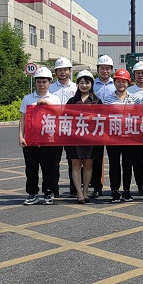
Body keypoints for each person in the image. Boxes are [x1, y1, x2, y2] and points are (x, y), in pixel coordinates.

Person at [18, 67, 62, 205]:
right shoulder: (28, 99)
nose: (41, 84)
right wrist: (21, 136)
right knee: (31, 168)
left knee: (48, 167)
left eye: (44, 82)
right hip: (31, 140)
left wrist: (48, 104)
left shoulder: (55, 98)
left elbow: (60, 115)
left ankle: (48, 193)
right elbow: (23, 118)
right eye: (39, 82)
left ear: (50, 82)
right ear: (35, 82)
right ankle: (32, 193)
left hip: (48, 139)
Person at [102, 68, 143, 203]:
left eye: (124, 81)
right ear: (114, 82)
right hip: (113, 137)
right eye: (118, 81)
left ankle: (126, 190)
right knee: (114, 164)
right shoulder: (108, 99)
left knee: (127, 164)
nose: (121, 84)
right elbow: (104, 118)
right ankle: (115, 191)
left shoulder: (135, 99)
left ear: (128, 82)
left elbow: (139, 118)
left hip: (129, 137)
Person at [65, 69, 101, 204]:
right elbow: (65, 118)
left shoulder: (97, 101)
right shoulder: (71, 101)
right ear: (77, 84)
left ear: (91, 84)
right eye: (81, 83)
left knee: (88, 164)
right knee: (75, 164)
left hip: (91, 138)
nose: (84, 85)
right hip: (74, 138)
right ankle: (79, 193)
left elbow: (102, 119)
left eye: (87, 83)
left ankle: (85, 191)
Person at [88, 55, 116, 199]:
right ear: (98, 69)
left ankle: (114, 188)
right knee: (96, 158)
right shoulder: (92, 85)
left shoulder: (116, 84)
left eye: (107, 68)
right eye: (102, 68)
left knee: (113, 158)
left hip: (112, 125)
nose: (105, 71)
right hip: (96, 125)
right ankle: (97, 187)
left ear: (111, 70)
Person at [49, 57, 78, 198]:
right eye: (59, 70)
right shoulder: (50, 88)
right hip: (55, 129)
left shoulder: (76, 88)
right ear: (55, 72)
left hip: (72, 129)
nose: (63, 72)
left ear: (70, 71)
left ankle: (74, 189)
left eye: (65, 69)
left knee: (74, 160)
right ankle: (53, 189)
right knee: (53, 160)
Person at [127, 61, 143, 195]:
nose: (141, 75)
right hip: (135, 130)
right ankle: (141, 183)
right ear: (134, 75)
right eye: (138, 73)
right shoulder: (129, 91)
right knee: (137, 159)